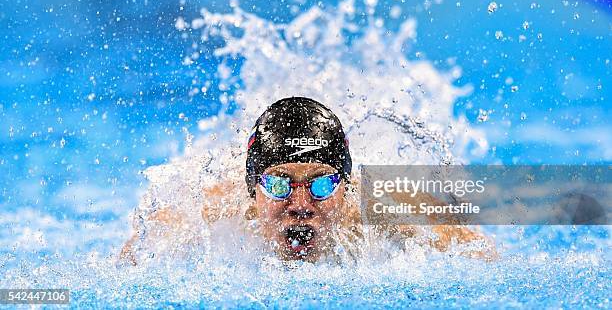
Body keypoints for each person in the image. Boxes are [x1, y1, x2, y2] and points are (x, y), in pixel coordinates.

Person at [120, 97, 496, 265]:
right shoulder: (214, 211)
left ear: (345, 188)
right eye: (280, 185)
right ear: (252, 192)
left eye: (321, 185)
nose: (300, 206)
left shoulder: (386, 207)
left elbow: (481, 252)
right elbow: (134, 257)